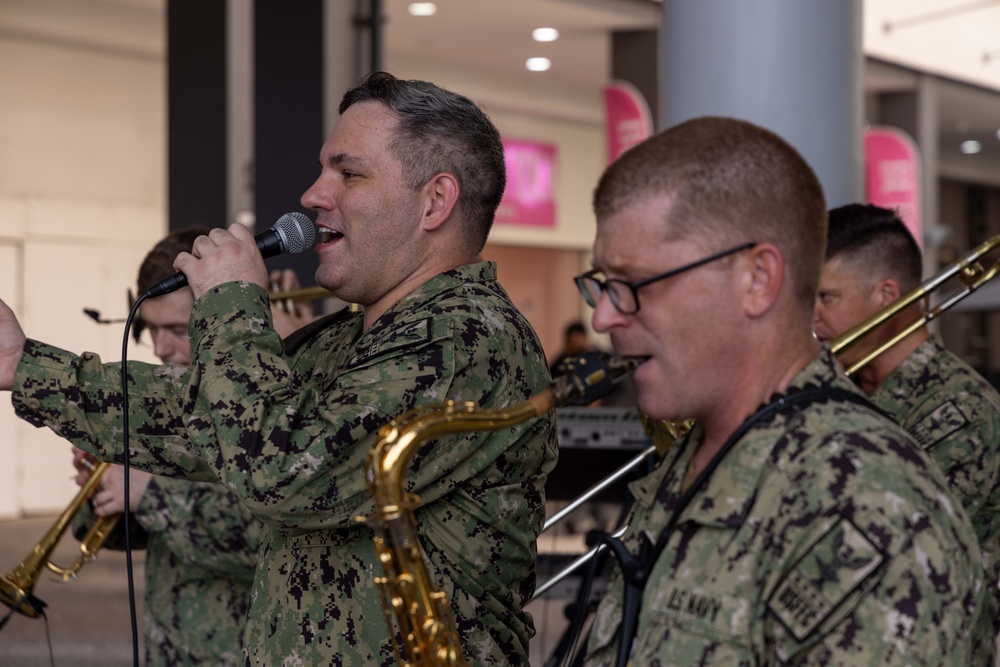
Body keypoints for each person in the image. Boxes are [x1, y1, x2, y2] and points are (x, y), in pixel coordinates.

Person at [0, 71, 556, 665]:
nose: (314, 195)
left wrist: (231, 302)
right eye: (322, 171)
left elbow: (282, 469)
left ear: (435, 201)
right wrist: (24, 364)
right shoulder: (356, 337)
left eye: (349, 173)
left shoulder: (465, 338)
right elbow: (203, 416)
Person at [572, 116, 983, 665]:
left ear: (757, 279)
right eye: (601, 284)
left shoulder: (869, 501)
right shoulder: (703, 450)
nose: (602, 316)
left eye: (631, 284)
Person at [67, 227, 313, 666]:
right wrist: (103, 493)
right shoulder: (170, 401)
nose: (161, 349)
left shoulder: (275, 394)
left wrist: (152, 493)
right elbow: (131, 537)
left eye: (178, 329)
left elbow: (277, 538)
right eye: (151, 330)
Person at [814, 203, 1000, 666]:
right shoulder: (841, 388)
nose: (812, 317)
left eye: (827, 298)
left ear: (886, 295)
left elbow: (884, 550)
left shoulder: (960, 411)